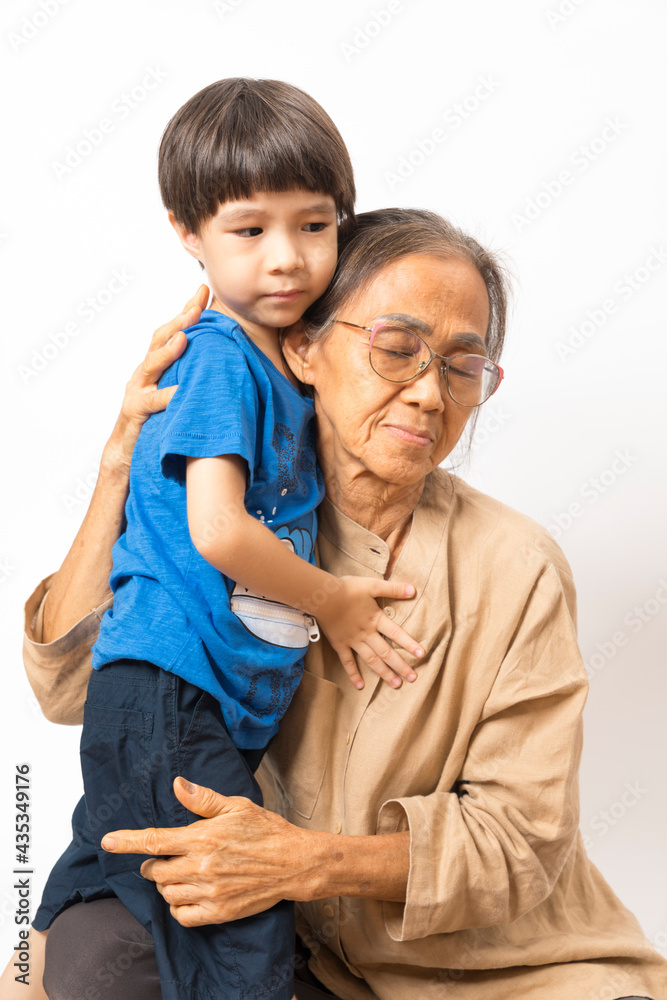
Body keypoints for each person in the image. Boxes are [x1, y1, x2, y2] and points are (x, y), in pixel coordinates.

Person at [14, 208, 667, 1000]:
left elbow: (518, 848)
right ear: (304, 347)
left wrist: (302, 860)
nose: (429, 394)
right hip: (314, 959)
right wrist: (124, 465)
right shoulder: (231, 521)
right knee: (94, 955)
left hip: (505, 973)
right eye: (397, 349)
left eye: (462, 366)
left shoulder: (515, 567)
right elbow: (69, 691)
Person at [27, 78, 427, 1000]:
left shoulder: (283, 362)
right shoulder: (214, 359)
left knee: (129, 858)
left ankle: (33, 954)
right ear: (187, 234)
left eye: (315, 225)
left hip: (190, 698)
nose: (286, 257)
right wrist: (329, 597)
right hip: (170, 687)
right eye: (251, 230)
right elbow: (216, 529)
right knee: (241, 904)